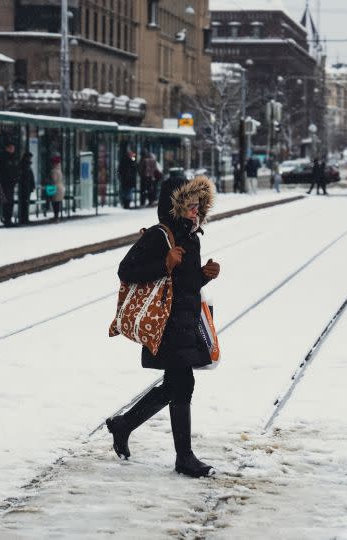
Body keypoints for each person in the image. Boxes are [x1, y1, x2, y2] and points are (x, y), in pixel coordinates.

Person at [106, 175, 221, 478]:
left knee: (176, 385)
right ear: (176, 208)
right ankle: (184, 458)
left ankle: (123, 425)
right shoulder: (160, 236)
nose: (196, 212)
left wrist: (205, 275)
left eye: (199, 207)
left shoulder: (192, 238)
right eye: (191, 207)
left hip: (184, 323)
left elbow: (186, 283)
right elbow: (126, 270)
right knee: (183, 385)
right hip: (165, 325)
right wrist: (164, 264)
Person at [0, 142, 19, 227]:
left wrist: (15, 178)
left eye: (13, 148)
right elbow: (5, 171)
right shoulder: (3, 157)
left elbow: (14, 169)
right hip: (6, 183)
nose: (13, 150)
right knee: (8, 202)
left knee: (10, 202)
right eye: (11, 148)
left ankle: (8, 219)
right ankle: (7, 219)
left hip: (10, 183)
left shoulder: (12, 157)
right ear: (7, 148)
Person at [46, 154, 65, 223]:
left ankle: (56, 217)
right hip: (60, 188)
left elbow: (53, 180)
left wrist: (48, 179)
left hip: (54, 188)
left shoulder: (53, 171)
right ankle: (56, 217)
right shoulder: (59, 169)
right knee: (57, 203)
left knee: (54, 203)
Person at [18, 151, 35, 224]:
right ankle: (24, 218)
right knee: (24, 203)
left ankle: (25, 218)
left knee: (25, 203)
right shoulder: (24, 165)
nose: (31, 159)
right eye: (30, 157)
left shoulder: (27, 165)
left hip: (27, 187)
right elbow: (27, 177)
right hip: (25, 187)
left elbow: (30, 177)